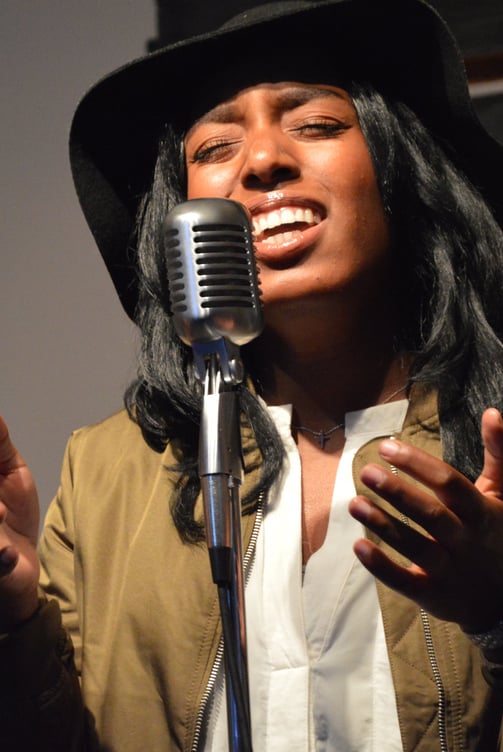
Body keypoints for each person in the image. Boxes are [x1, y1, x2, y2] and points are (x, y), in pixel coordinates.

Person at [2, 0, 503, 749]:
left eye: (315, 125)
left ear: (399, 177)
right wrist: (13, 622)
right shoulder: (104, 473)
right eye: (214, 148)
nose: (262, 160)